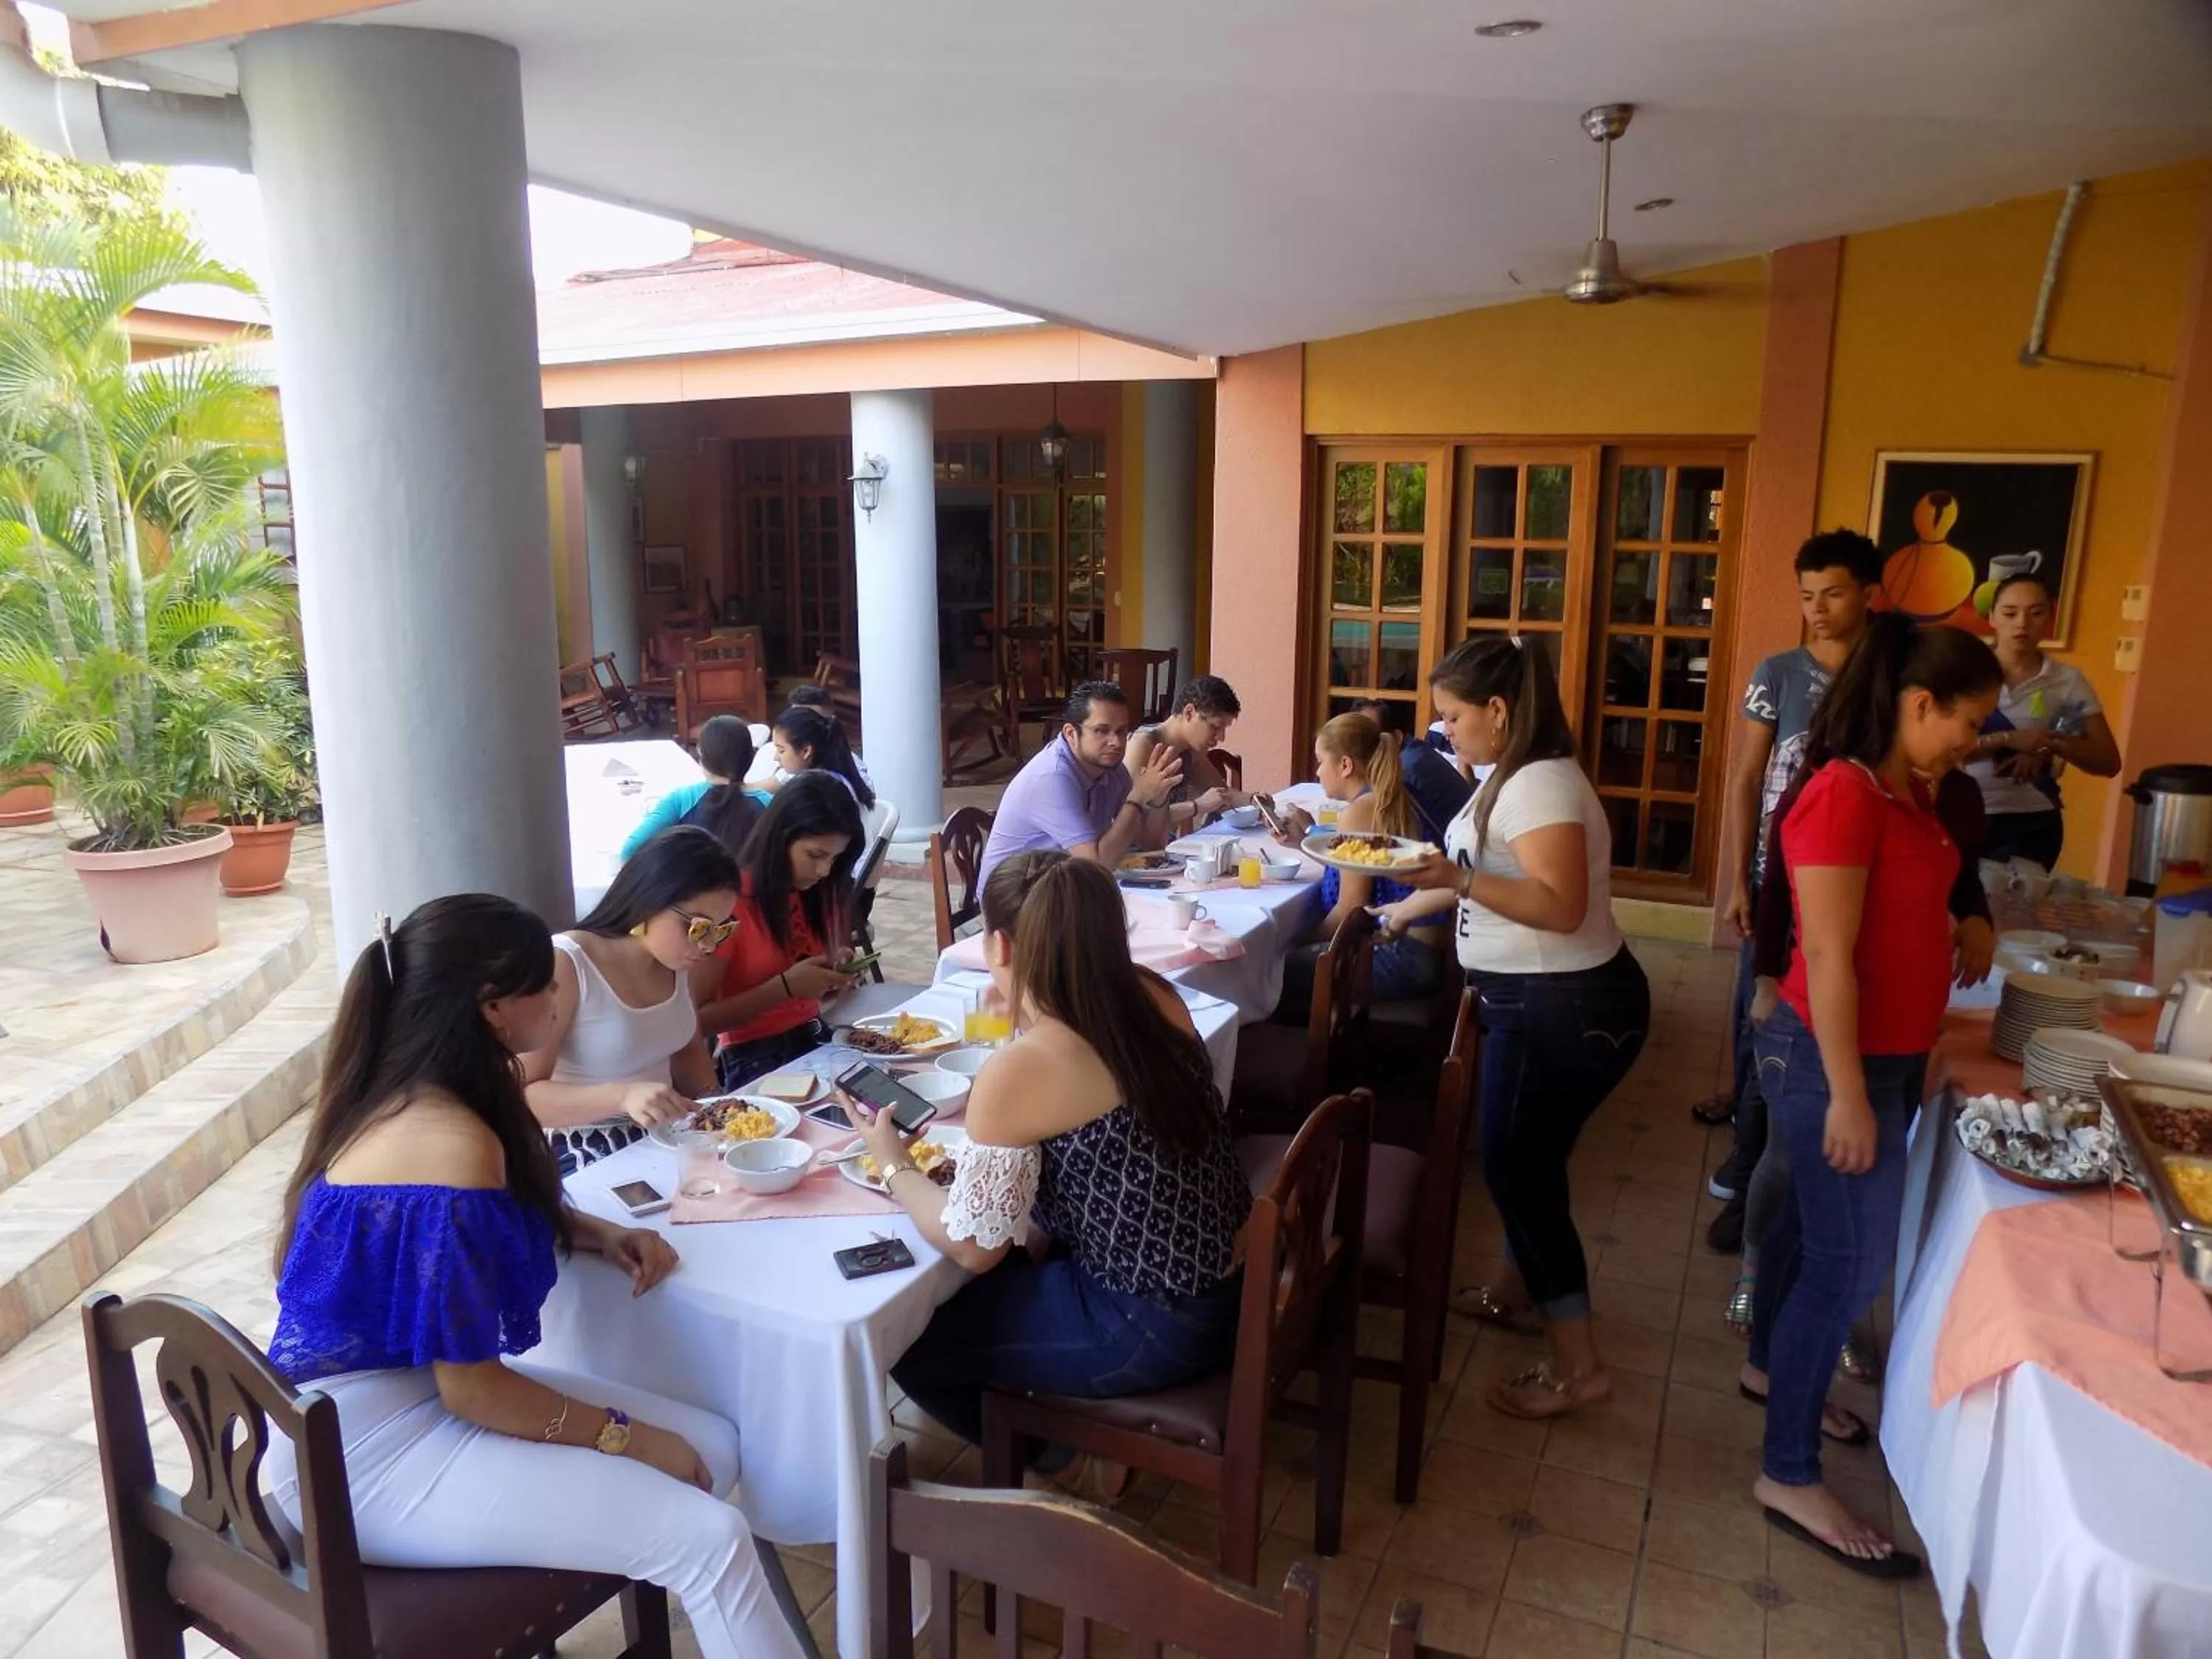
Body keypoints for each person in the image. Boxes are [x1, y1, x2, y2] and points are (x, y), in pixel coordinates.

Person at [263, 896, 806, 1659]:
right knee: (709, 1538)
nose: (557, 997)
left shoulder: (411, 1091)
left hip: (383, 1399)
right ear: (492, 1009)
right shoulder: (449, 1142)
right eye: (541, 985)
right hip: (358, 1460)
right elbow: (476, 1389)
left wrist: (597, 1230)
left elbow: (471, 1238)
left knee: (713, 1447)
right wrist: (629, 1439)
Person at [858, 851, 1251, 1492]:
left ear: (1000, 944)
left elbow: (973, 1247)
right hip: (1223, 1281)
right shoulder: (1152, 994)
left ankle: (1064, 1464)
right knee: (978, 1287)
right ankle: (1053, 1429)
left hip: (1151, 1323)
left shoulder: (1030, 1064)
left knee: (908, 1344)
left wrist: (894, 1164)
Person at [1742, 615, 2000, 1576]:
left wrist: (1918, 1038)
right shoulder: (1843, 796)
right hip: (1829, 1057)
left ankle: (1769, 1367)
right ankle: (1787, 1469)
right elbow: (1833, 960)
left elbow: (1907, 927)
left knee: (1812, 1243)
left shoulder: (1914, 794)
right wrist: (1851, 1092)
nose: (1974, 740)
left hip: (1882, 1058)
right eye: (1967, 721)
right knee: (1846, 1274)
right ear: (1917, 704)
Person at [1377, 635, 1651, 1419]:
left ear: (1499, 711)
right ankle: (1515, 1291)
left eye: (1455, 718)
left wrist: (1456, 879)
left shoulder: (1538, 788)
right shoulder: (1513, 774)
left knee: (1515, 1171)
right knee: (1532, 1156)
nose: (1445, 733)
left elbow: (1558, 905)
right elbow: (1492, 876)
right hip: (1546, 1002)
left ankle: (1579, 1367)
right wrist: (1420, 901)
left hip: (1562, 1006)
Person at [1702, 531, 1885, 1217]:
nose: (1818, 608)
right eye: (1807, 595)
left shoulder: (1891, 675)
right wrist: (1739, 879)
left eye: (1833, 594)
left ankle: (1793, 1153)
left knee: (1826, 1010)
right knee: (1759, 1011)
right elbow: (1749, 776)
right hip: (1776, 875)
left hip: (1852, 875)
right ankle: (1750, 1154)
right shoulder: (1777, 672)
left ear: (1871, 595)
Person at [521, 829, 738, 1174]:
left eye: (723, 929)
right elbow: (521, 1095)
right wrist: (622, 1096)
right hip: (583, 1144)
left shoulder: (676, 960)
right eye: (699, 928)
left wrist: (724, 1111)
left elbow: (687, 1051)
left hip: (665, 1135)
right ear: (650, 901)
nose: (710, 945)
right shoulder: (567, 962)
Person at [694, 772, 865, 1090]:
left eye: (835, 858)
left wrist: (832, 978)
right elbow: (696, 1022)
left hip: (815, 1038)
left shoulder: (816, 893)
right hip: (753, 1056)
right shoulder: (730, 902)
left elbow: (810, 1002)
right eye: (815, 855)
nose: (824, 871)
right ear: (781, 838)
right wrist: (785, 987)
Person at [1275, 712, 1446, 1004]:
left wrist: (1291, 944)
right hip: (1423, 951)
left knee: (1273, 976)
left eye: (1320, 761)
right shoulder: (1388, 795)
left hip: (1402, 956)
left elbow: (1351, 908)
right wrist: (1302, 843)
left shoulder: (1361, 811)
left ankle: (1316, 1048)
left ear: (1345, 765)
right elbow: (1362, 871)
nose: (1316, 772)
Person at [1962, 572, 2120, 870]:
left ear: (2049, 617)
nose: (2022, 624)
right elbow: (1933, 749)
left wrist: (2047, 745)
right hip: (1963, 811)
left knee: (2021, 912)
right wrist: (2008, 739)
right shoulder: (1963, 671)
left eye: (2035, 613)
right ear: (1992, 617)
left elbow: (2108, 761)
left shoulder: (2066, 681)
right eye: (2010, 613)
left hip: (2032, 822)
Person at [979, 681, 1180, 883]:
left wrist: (1159, 797)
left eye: (1121, 731)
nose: (1116, 742)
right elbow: (1095, 866)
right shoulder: (1053, 777)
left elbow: (1151, 848)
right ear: (1070, 733)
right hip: (1014, 900)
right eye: (1102, 731)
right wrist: (1137, 797)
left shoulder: (1112, 769)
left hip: (1059, 886)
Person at [620, 714, 771, 859]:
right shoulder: (770, 804)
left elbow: (630, 850)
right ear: (750, 757)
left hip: (692, 884)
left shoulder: (682, 799)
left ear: (701, 754)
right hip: (755, 885)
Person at [1121, 674, 1248, 831]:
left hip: (1164, 847)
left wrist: (1257, 801)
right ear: (1189, 713)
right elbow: (1129, 817)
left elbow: (1223, 795)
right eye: (1215, 727)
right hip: (1132, 853)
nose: (1221, 738)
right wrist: (1196, 806)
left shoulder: (1191, 750)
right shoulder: (1142, 745)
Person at [768, 704, 877, 810]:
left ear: (806, 751)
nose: (775, 757)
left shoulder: (821, 791)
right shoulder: (829, 776)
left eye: (781, 750)